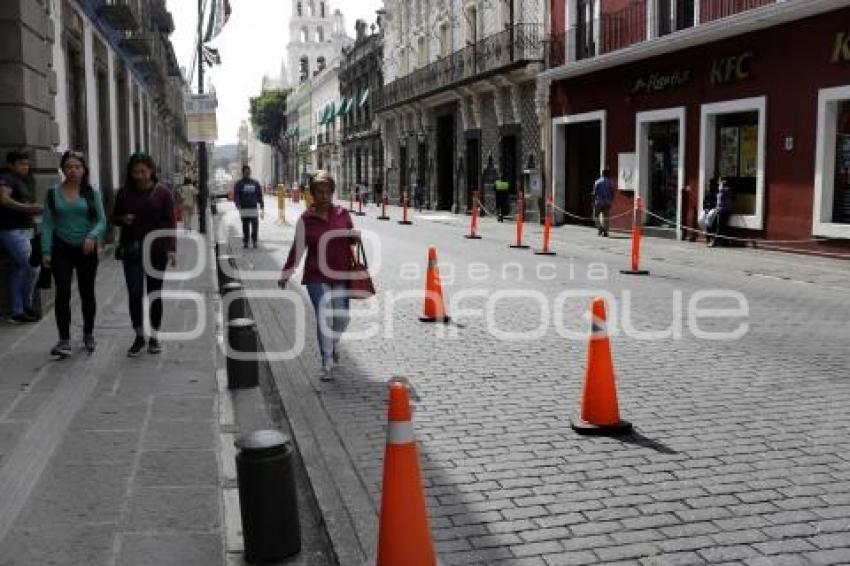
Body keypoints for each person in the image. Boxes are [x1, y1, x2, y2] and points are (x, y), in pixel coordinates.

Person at [278, 170, 358, 381]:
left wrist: (353, 238)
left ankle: (332, 344)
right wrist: (286, 273)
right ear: (312, 194)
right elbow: (297, 248)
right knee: (324, 315)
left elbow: (351, 239)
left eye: (327, 192)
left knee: (341, 317)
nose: (324, 196)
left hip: (340, 273)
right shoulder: (306, 219)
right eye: (319, 192)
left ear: (332, 193)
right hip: (316, 275)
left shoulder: (342, 214)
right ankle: (327, 363)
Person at [41, 151, 107, 357]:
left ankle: (88, 333)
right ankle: (64, 340)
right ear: (63, 169)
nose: (73, 170)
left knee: (87, 292)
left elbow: (102, 221)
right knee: (63, 292)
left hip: (86, 249)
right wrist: (45, 250)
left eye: (77, 167)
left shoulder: (91, 193)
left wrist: (92, 236)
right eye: (69, 166)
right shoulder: (52, 193)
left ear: (84, 169)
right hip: (61, 249)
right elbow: (47, 224)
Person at [112, 153, 177, 357]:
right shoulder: (124, 193)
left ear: (151, 170)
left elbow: (170, 221)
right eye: (135, 172)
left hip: (156, 250)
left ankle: (154, 337)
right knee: (134, 293)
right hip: (132, 248)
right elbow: (113, 217)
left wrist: (172, 248)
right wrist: (124, 219)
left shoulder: (163, 193)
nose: (139, 176)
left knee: (154, 293)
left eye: (143, 171)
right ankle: (139, 336)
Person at [0, 150, 42, 323]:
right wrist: (29, 208)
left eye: (26, 163)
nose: (25, 167)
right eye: (21, 164)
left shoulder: (21, 181)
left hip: (25, 230)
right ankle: (25, 305)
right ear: (11, 165)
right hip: (12, 230)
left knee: (20, 269)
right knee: (32, 267)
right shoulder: (7, 178)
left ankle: (19, 310)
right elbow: (4, 199)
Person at [233, 165, 265, 249]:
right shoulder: (239, 184)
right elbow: (236, 195)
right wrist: (238, 204)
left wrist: (262, 206)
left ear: (250, 172)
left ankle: (254, 241)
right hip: (244, 208)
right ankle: (246, 241)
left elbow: (259, 195)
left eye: (248, 172)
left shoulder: (255, 183)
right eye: (245, 172)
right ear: (243, 173)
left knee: (255, 225)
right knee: (245, 225)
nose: (247, 173)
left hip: (253, 207)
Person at [709, 178, 733, 248]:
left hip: (723, 211)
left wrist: (721, 184)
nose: (719, 186)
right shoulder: (721, 192)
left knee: (719, 227)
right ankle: (723, 241)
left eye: (720, 184)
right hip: (719, 210)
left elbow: (722, 191)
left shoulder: (726, 190)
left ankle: (715, 242)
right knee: (717, 226)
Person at [592, 168, 615, 237]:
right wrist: (611, 200)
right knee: (606, 217)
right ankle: (606, 231)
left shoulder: (597, 182)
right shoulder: (610, 182)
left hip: (599, 201)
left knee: (595, 216)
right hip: (607, 202)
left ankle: (600, 228)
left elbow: (594, 193)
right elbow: (612, 193)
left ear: (602, 174)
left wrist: (593, 201)